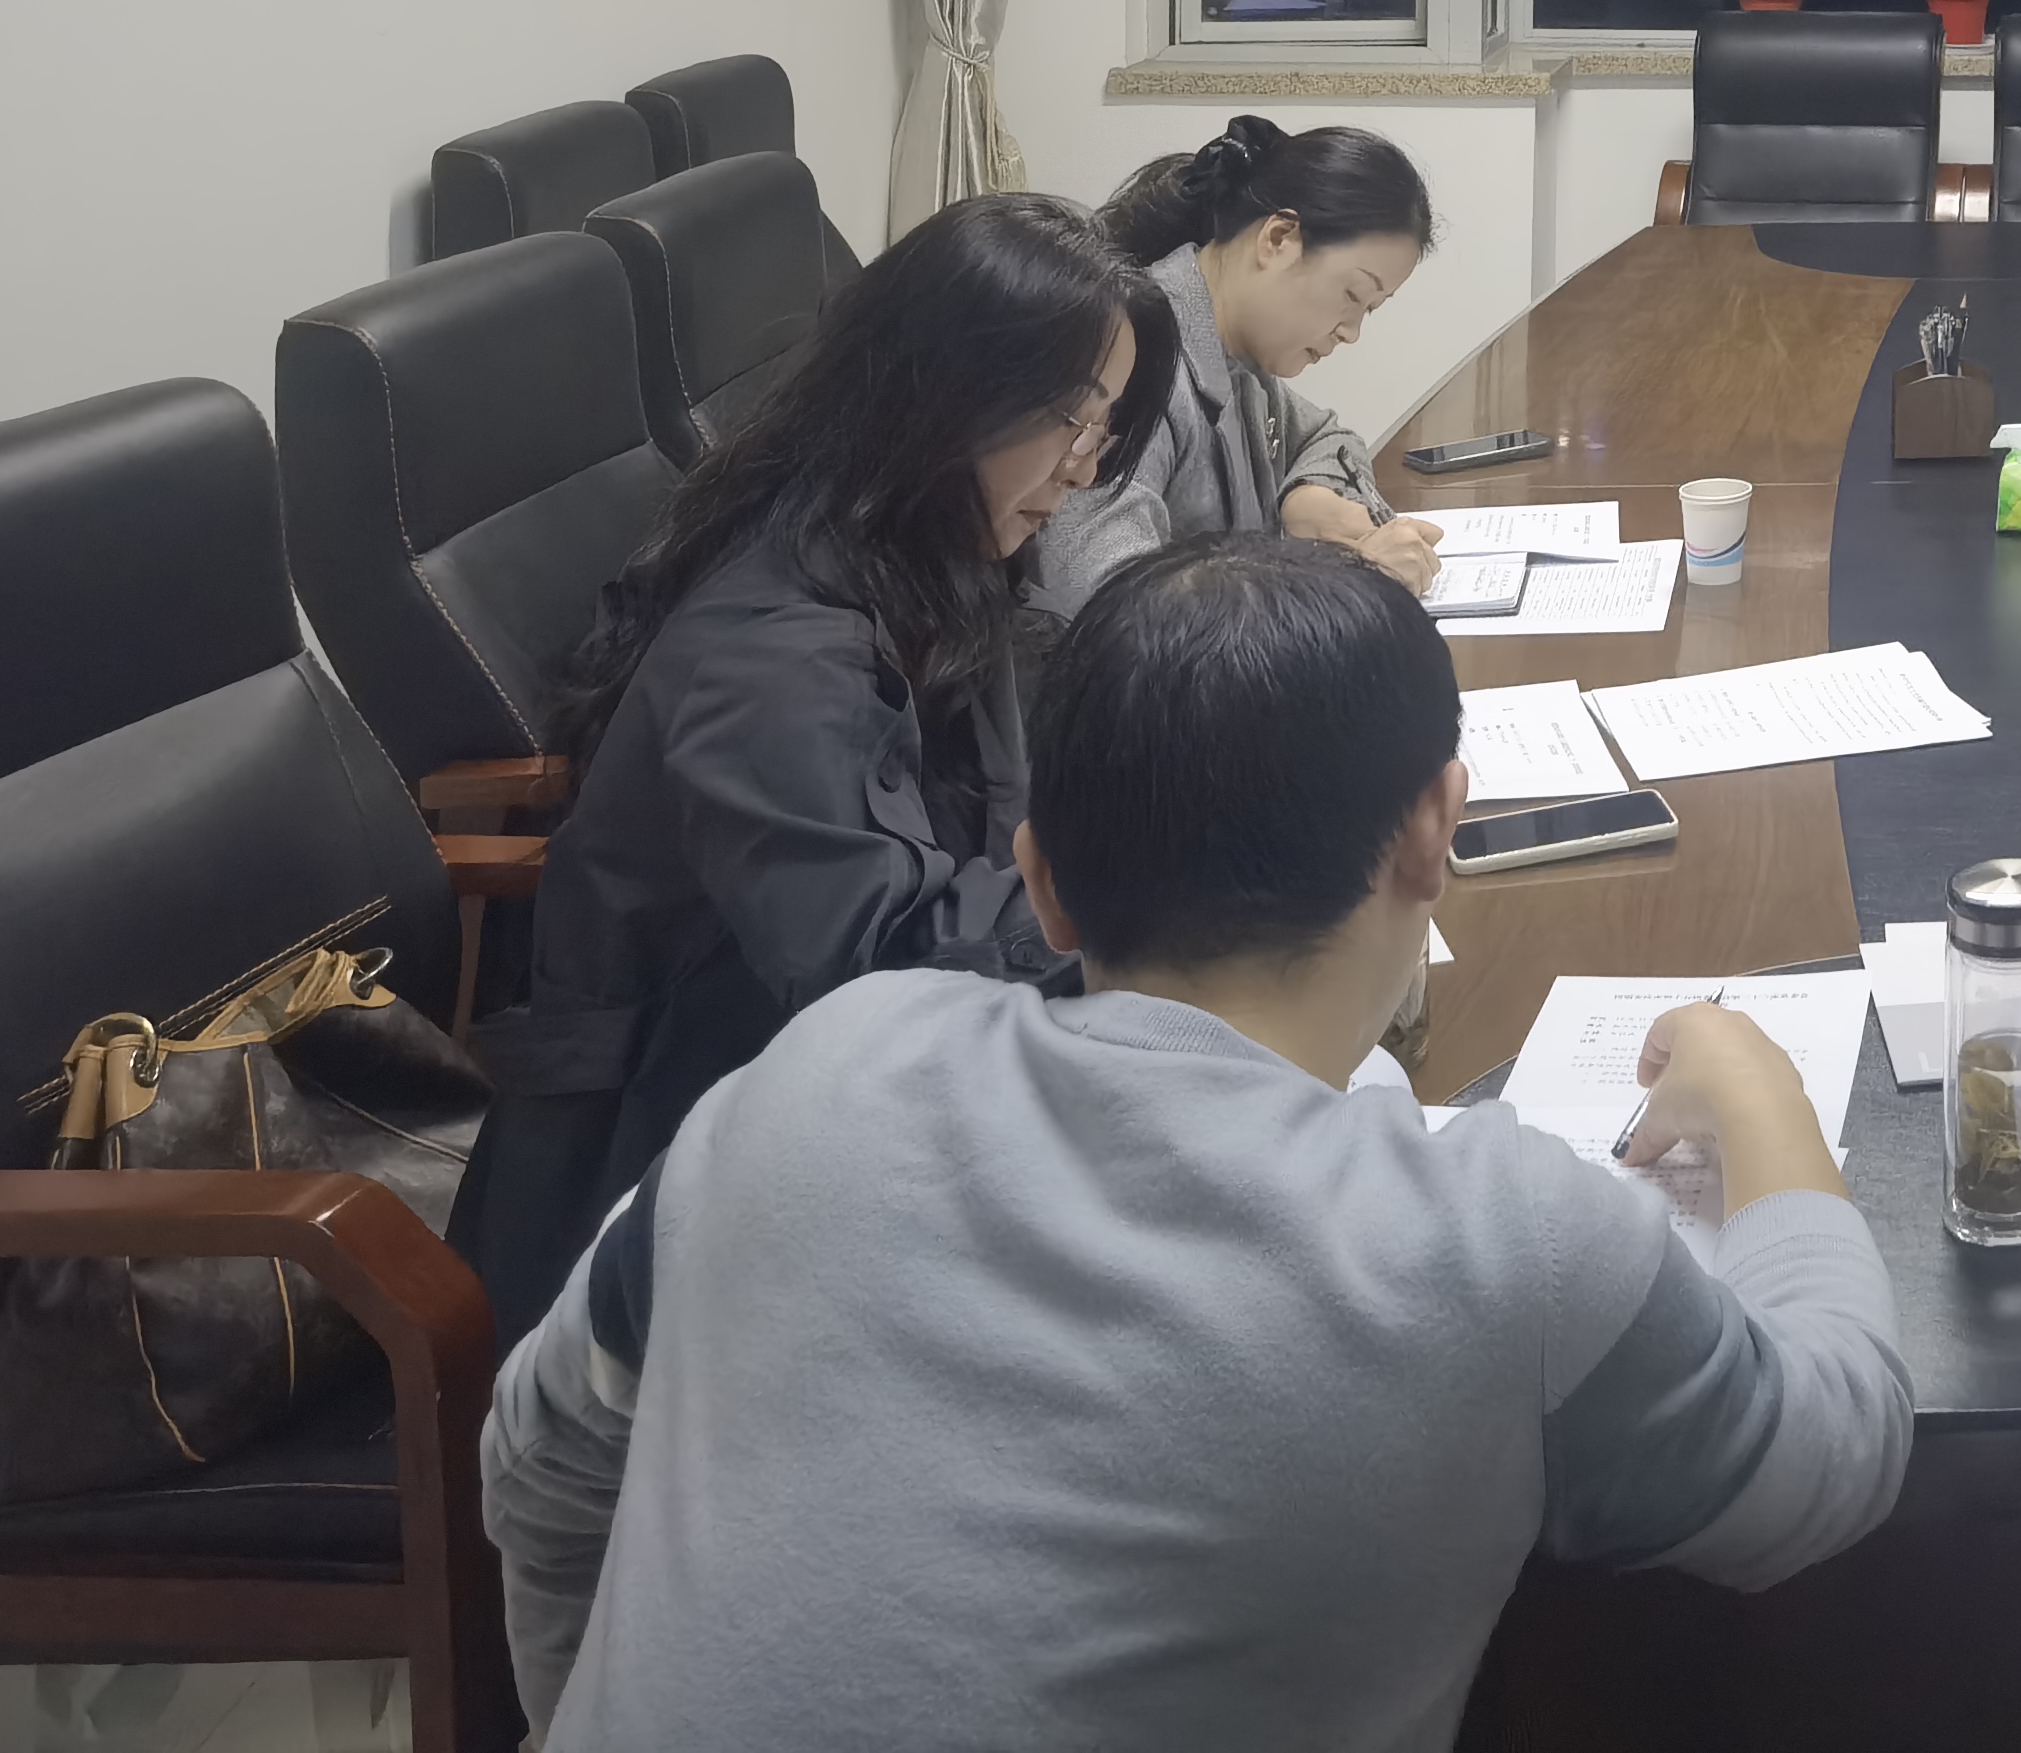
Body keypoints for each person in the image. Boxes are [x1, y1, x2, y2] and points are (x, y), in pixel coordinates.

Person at [482, 540, 1910, 1746]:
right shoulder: (1499, 1244)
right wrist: (1760, 1095)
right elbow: (1831, 1454)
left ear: (1039, 884)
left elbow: (539, 1459)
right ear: (1434, 832)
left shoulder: (812, 1070)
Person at [456, 194, 1176, 1330]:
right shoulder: (774, 654)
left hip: (808, 1097)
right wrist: (1160, 898)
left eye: (1104, 427)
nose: (1083, 469)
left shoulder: (907, 542)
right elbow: (876, 965)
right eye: (1069, 420)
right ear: (946, 392)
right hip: (666, 1177)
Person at [1029, 116, 1441, 623]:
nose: (1350, 331)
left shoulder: (1239, 355)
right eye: (1352, 294)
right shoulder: (1132, 360)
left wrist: (1311, 496)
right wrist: (1337, 586)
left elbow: (1325, 438)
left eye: (1369, 309)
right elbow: (1109, 601)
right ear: (1279, 238)